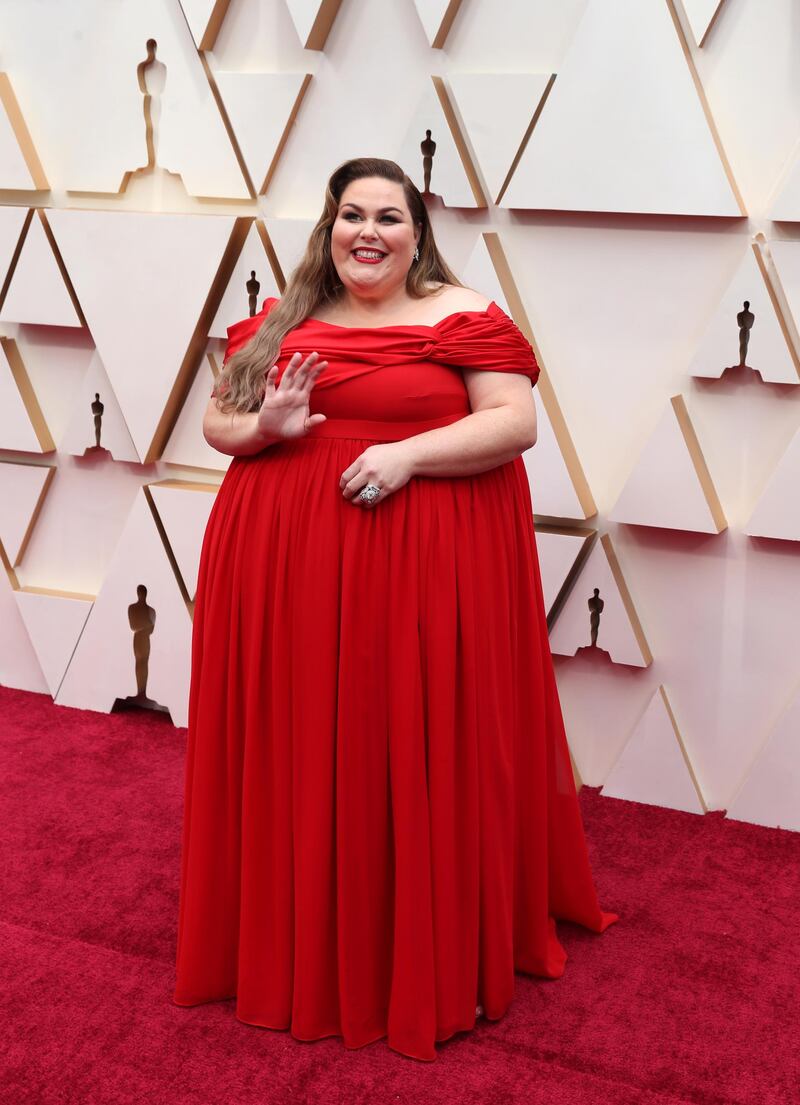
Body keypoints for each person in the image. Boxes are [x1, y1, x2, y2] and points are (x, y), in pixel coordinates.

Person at [172, 157, 618, 1062]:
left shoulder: (463, 313)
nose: (366, 232)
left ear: (419, 235)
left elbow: (513, 421)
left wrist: (407, 456)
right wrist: (267, 430)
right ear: (327, 228)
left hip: (418, 564)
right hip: (284, 564)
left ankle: (407, 935)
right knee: (302, 741)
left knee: (401, 735)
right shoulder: (285, 317)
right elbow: (219, 422)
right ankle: (298, 931)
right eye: (350, 215)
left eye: (388, 217)